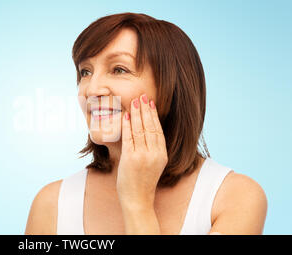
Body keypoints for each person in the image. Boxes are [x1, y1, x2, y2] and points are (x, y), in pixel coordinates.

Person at [25, 12, 267, 235]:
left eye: (119, 69)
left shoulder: (235, 197)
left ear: (171, 89)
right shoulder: (51, 204)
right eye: (85, 72)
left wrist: (137, 204)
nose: (92, 89)